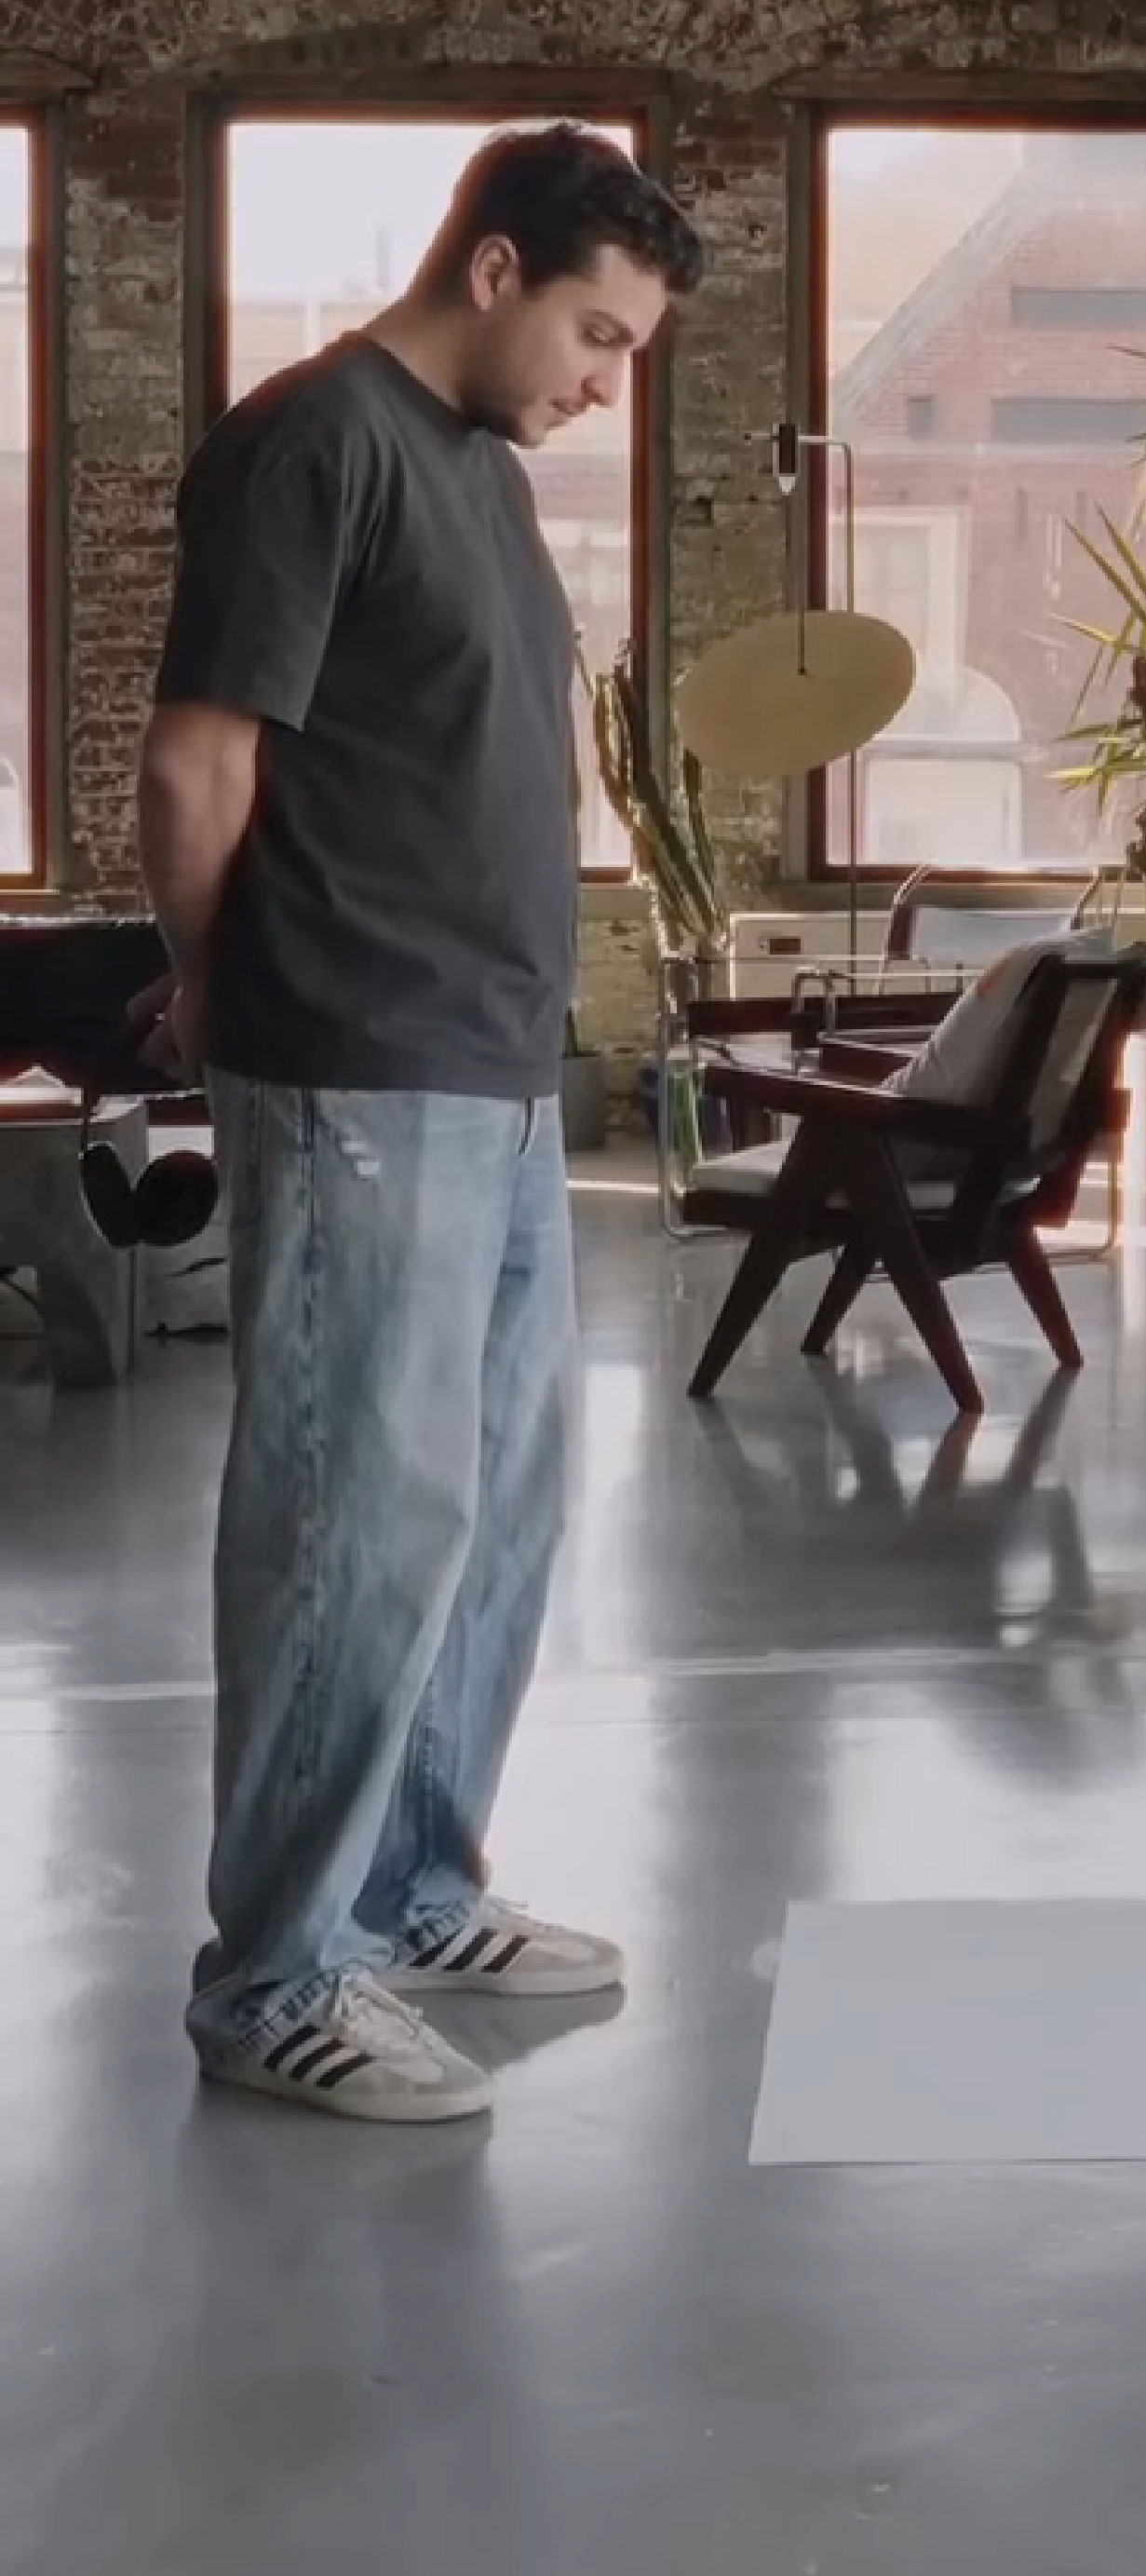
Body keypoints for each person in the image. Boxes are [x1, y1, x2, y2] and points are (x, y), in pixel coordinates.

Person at [132, 124, 706, 2123]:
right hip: (358, 1055)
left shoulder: (475, 468)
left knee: (496, 1513)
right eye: (595, 333)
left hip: (495, 1073)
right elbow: (203, 763)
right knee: (352, 1524)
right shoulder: (316, 444)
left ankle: (410, 1886)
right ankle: (274, 1975)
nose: (601, 381)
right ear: (491, 269)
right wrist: (221, 991)